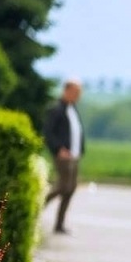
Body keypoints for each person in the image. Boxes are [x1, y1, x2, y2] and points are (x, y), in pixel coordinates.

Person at [42, 79, 85, 235]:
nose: (79, 95)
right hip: (63, 156)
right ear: (67, 90)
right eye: (76, 92)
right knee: (62, 186)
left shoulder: (72, 109)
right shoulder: (57, 109)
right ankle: (37, 207)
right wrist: (58, 148)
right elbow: (48, 132)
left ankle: (59, 224)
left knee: (70, 189)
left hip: (74, 155)